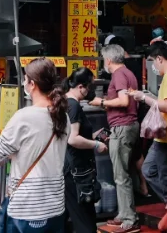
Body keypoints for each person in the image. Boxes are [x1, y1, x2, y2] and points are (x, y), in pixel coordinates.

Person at [0, 58, 69, 233]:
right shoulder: (63, 117)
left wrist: (12, 153)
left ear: (32, 84)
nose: (24, 83)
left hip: (27, 207)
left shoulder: (24, 117)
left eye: (25, 79)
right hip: (56, 205)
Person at [91, 44, 140, 230]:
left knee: (121, 176)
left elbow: (124, 101)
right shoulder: (128, 73)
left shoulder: (119, 75)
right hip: (127, 126)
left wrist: (101, 101)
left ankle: (129, 218)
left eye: (104, 59)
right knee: (122, 173)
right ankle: (123, 213)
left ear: (108, 60)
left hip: (122, 127)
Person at [129, 41, 167, 202]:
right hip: (163, 135)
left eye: (152, 61)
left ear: (159, 58)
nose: (153, 66)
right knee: (148, 170)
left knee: (166, 181)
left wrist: (144, 98)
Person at [65, 67, 105, 233]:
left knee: (69, 217)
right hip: (77, 170)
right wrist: (96, 145)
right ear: (80, 87)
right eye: (90, 87)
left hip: (69, 167)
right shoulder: (73, 106)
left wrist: (94, 136)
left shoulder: (66, 102)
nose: (91, 91)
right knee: (86, 222)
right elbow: (73, 139)